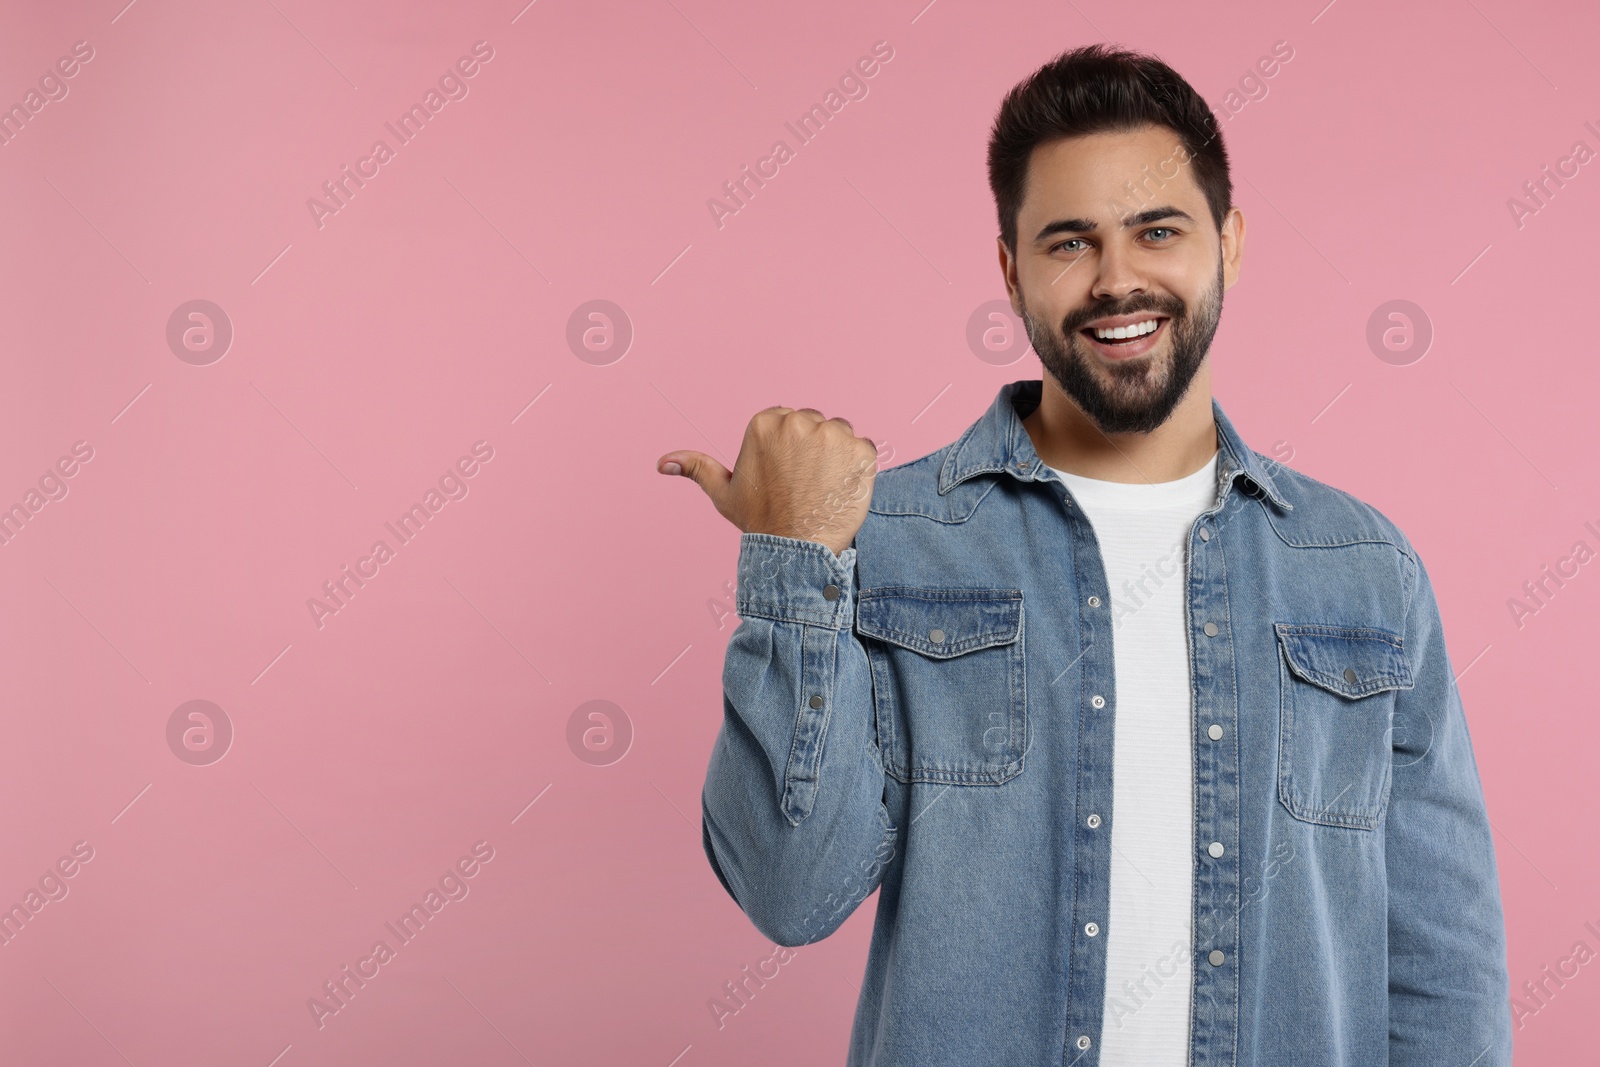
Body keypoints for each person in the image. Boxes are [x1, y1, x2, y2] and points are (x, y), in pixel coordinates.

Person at [657, 43, 1512, 1066]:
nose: (1117, 281)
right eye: (1069, 242)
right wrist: (796, 562)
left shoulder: (1362, 569)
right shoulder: (885, 541)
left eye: (1158, 230)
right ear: (1011, 270)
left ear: (1228, 243)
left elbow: (1442, 968)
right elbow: (790, 892)